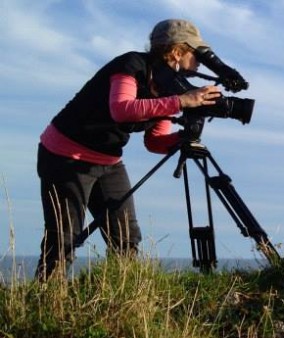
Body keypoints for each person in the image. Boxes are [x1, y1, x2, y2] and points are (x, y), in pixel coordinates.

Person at [35, 19, 222, 280]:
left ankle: (121, 299)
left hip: (108, 161)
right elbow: (121, 109)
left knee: (125, 238)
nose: (200, 61)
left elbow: (155, 141)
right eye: (196, 52)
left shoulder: (170, 88)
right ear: (177, 52)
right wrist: (180, 102)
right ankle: (48, 300)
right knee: (63, 237)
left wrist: (183, 138)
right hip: (66, 155)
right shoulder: (132, 65)